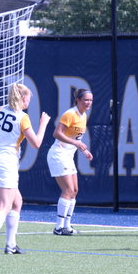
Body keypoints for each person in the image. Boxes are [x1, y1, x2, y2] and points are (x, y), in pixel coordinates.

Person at [0, 83, 50, 257]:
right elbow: (36, 143)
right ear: (23, 98)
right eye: (29, 98)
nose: (29, 101)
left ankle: (11, 245)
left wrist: (3, 129)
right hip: (6, 163)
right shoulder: (22, 117)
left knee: (17, 202)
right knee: (4, 206)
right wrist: (43, 124)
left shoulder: (1, 110)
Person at [47, 88, 93, 235]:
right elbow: (57, 133)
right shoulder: (70, 114)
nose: (88, 102)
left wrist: (84, 150)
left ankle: (67, 227)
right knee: (68, 190)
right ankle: (58, 227)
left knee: (74, 191)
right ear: (78, 100)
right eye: (86, 100)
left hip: (68, 156)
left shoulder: (83, 115)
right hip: (58, 154)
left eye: (91, 100)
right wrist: (76, 143)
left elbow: (76, 138)